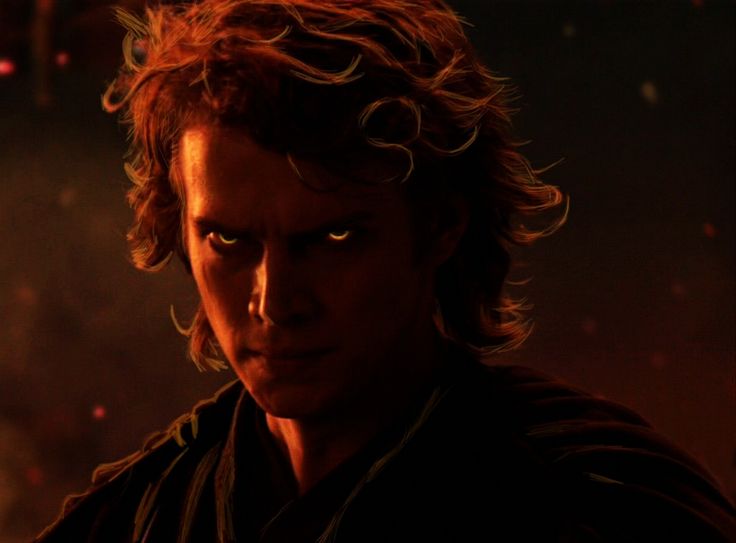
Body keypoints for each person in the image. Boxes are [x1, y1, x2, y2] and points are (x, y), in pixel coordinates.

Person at [35, 1, 735, 541]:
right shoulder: (134, 520)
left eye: (333, 235)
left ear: (438, 225)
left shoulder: (605, 507)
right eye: (229, 239)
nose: (275, 302)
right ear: (181, 233)